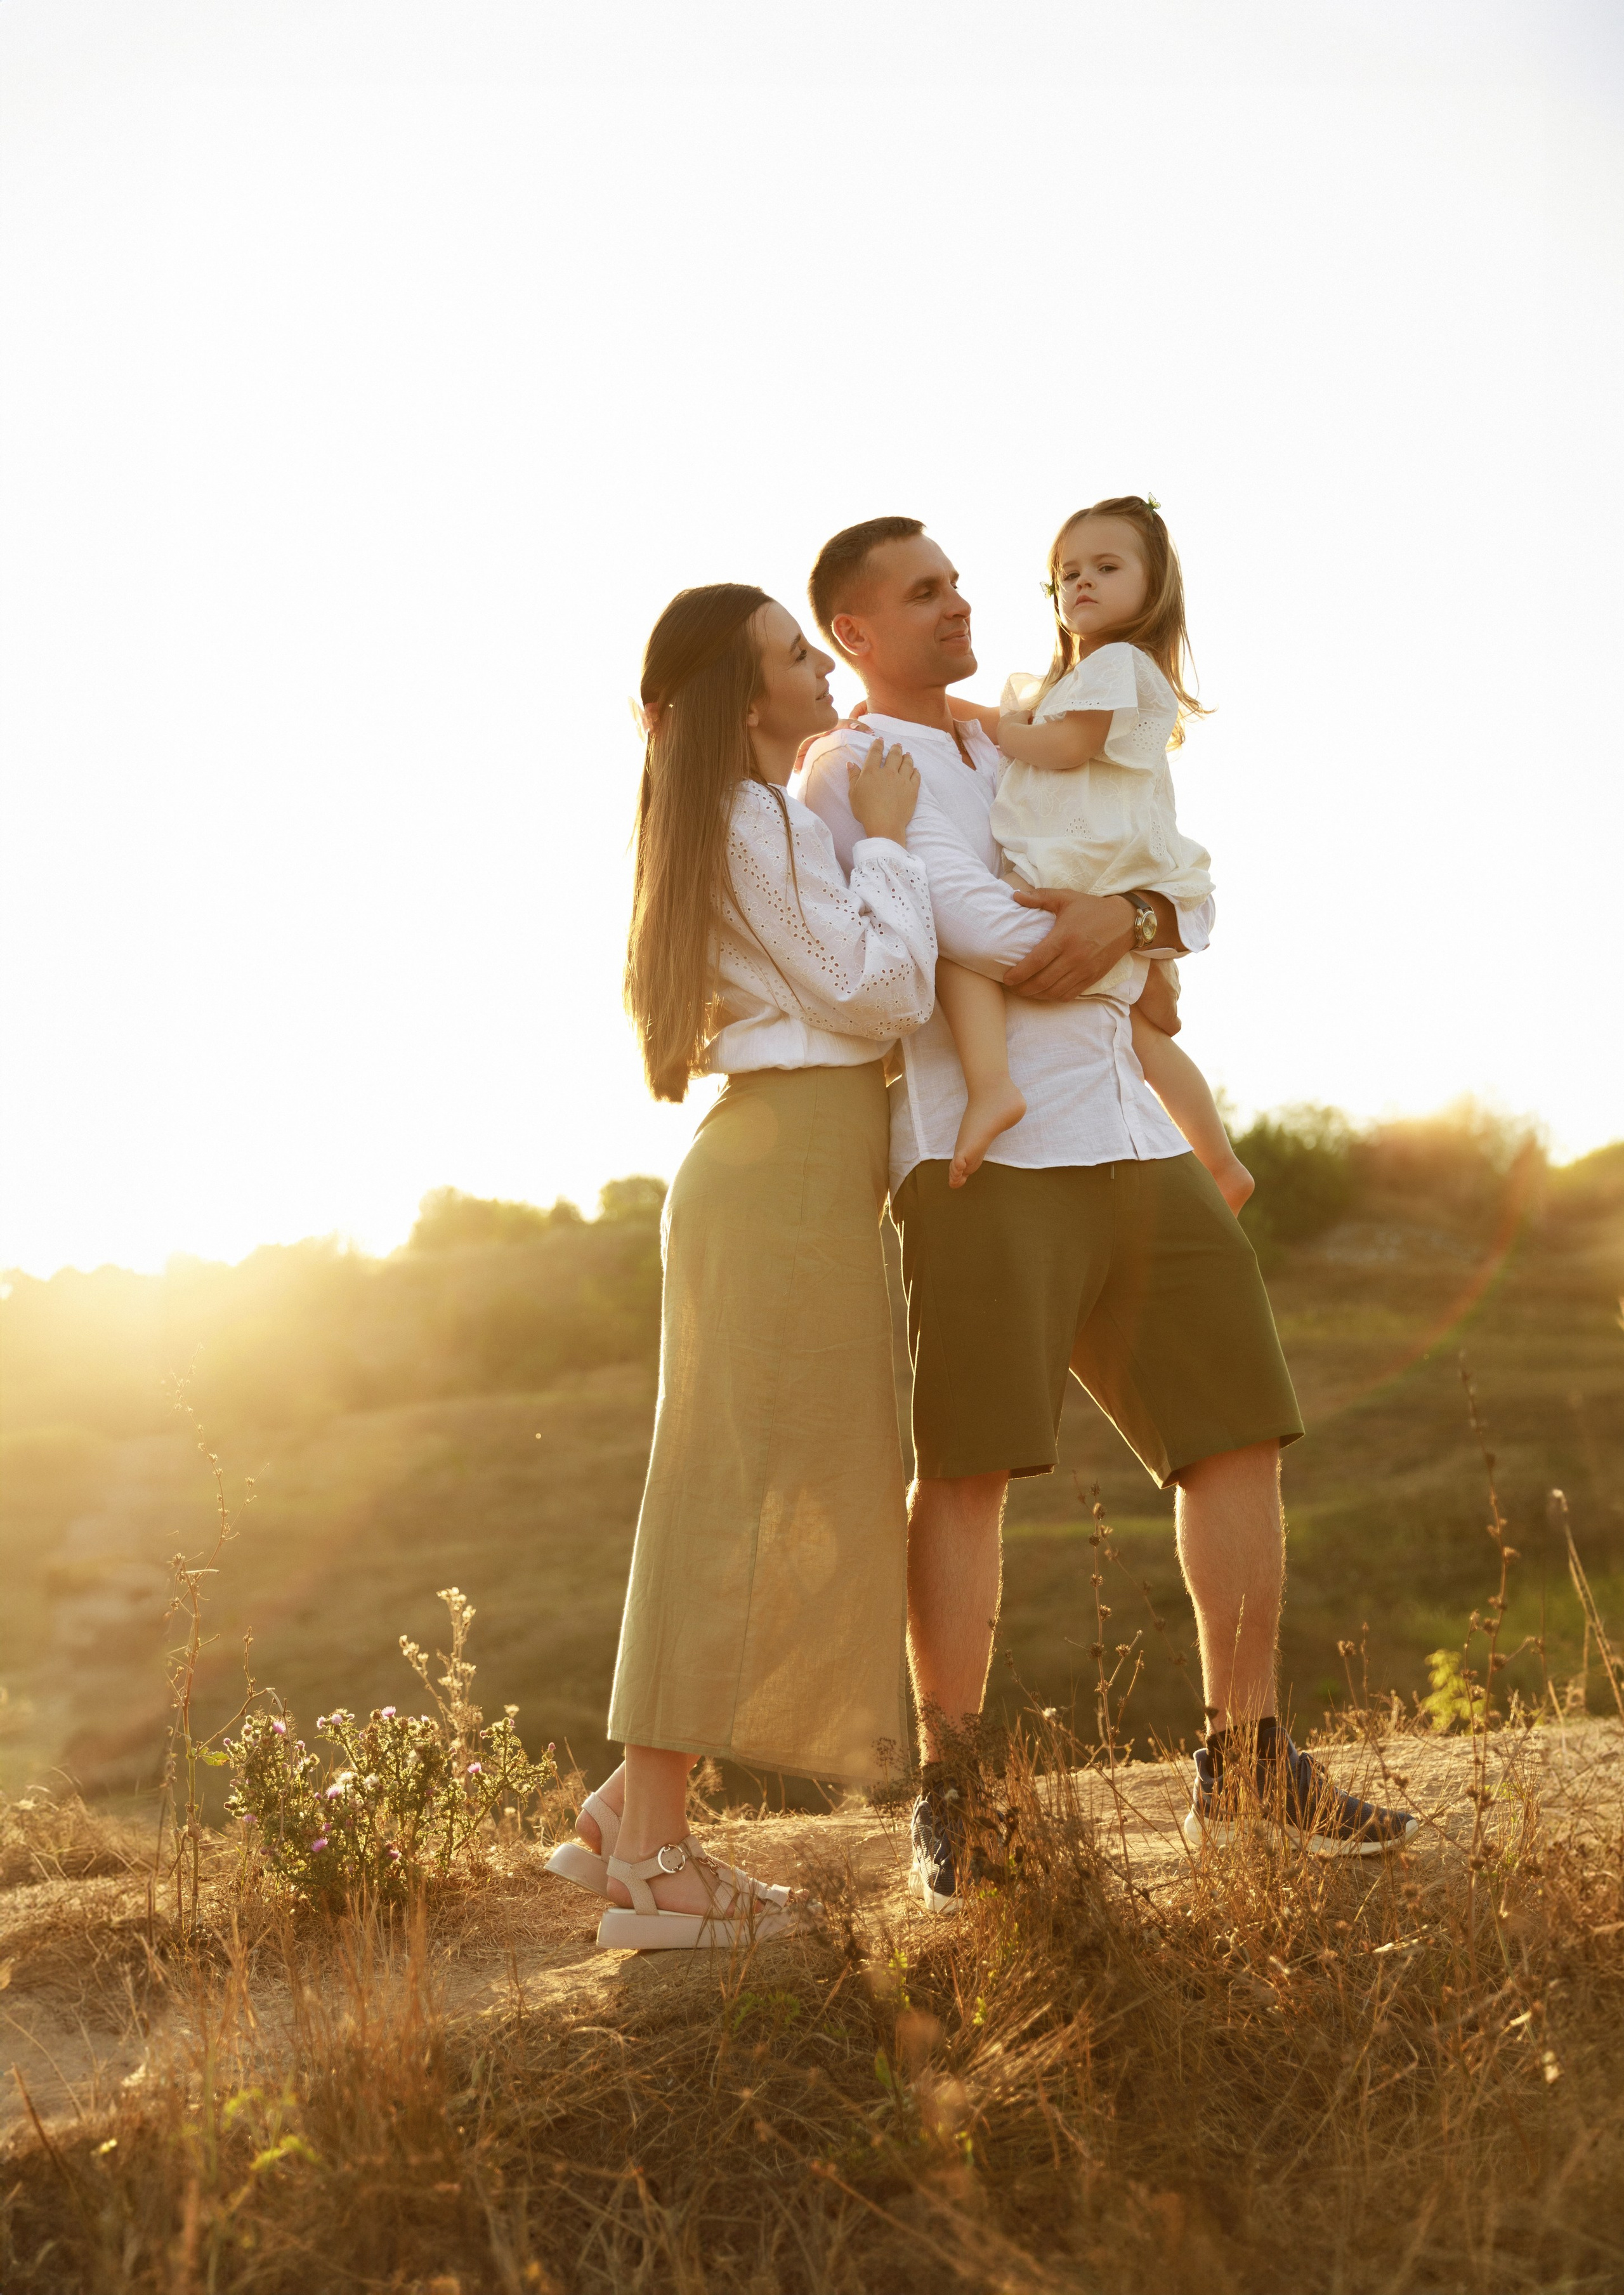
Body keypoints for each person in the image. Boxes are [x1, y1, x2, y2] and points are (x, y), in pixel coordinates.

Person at [795, 517, 1417, 1899]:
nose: (960, 603)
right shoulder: (852, 765)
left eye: (959, 581)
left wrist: (1133, 915)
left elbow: (1178, 888)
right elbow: (965, 925)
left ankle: (1245, 1759)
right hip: (975, 1154)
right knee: (964, 1467)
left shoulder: (1025, 724)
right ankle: (950, 1794)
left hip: (1133, 1138)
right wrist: (1098, 939)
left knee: (1237, 1433)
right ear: (852, 630)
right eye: (921, 592)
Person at [546, 581, 938, 1950]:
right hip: (780, 1177)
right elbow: (877, 990)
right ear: (743, 693)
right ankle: (655, 1867)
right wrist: (887, 845)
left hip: (792, 1173)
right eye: (791, 653)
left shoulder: (749, 813)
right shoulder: (753, 813)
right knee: (733, 1495)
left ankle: (629, 1805)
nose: (819, 668)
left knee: (754, 1484)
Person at [936, 497, 1252, 1210]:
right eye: (1067, 572)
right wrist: (952, 713)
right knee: (1143, 1035)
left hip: (1085, 862)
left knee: (961, 953)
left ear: (1154, 586)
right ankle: (1222, 1161)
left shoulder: (1116, 660)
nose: (1081, 583)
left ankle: (991, 1088)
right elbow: (1025, 722)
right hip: (1098, 864)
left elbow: (1065, 744)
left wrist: (1005, 734)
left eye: (1105, 568)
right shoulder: (1077, 682)